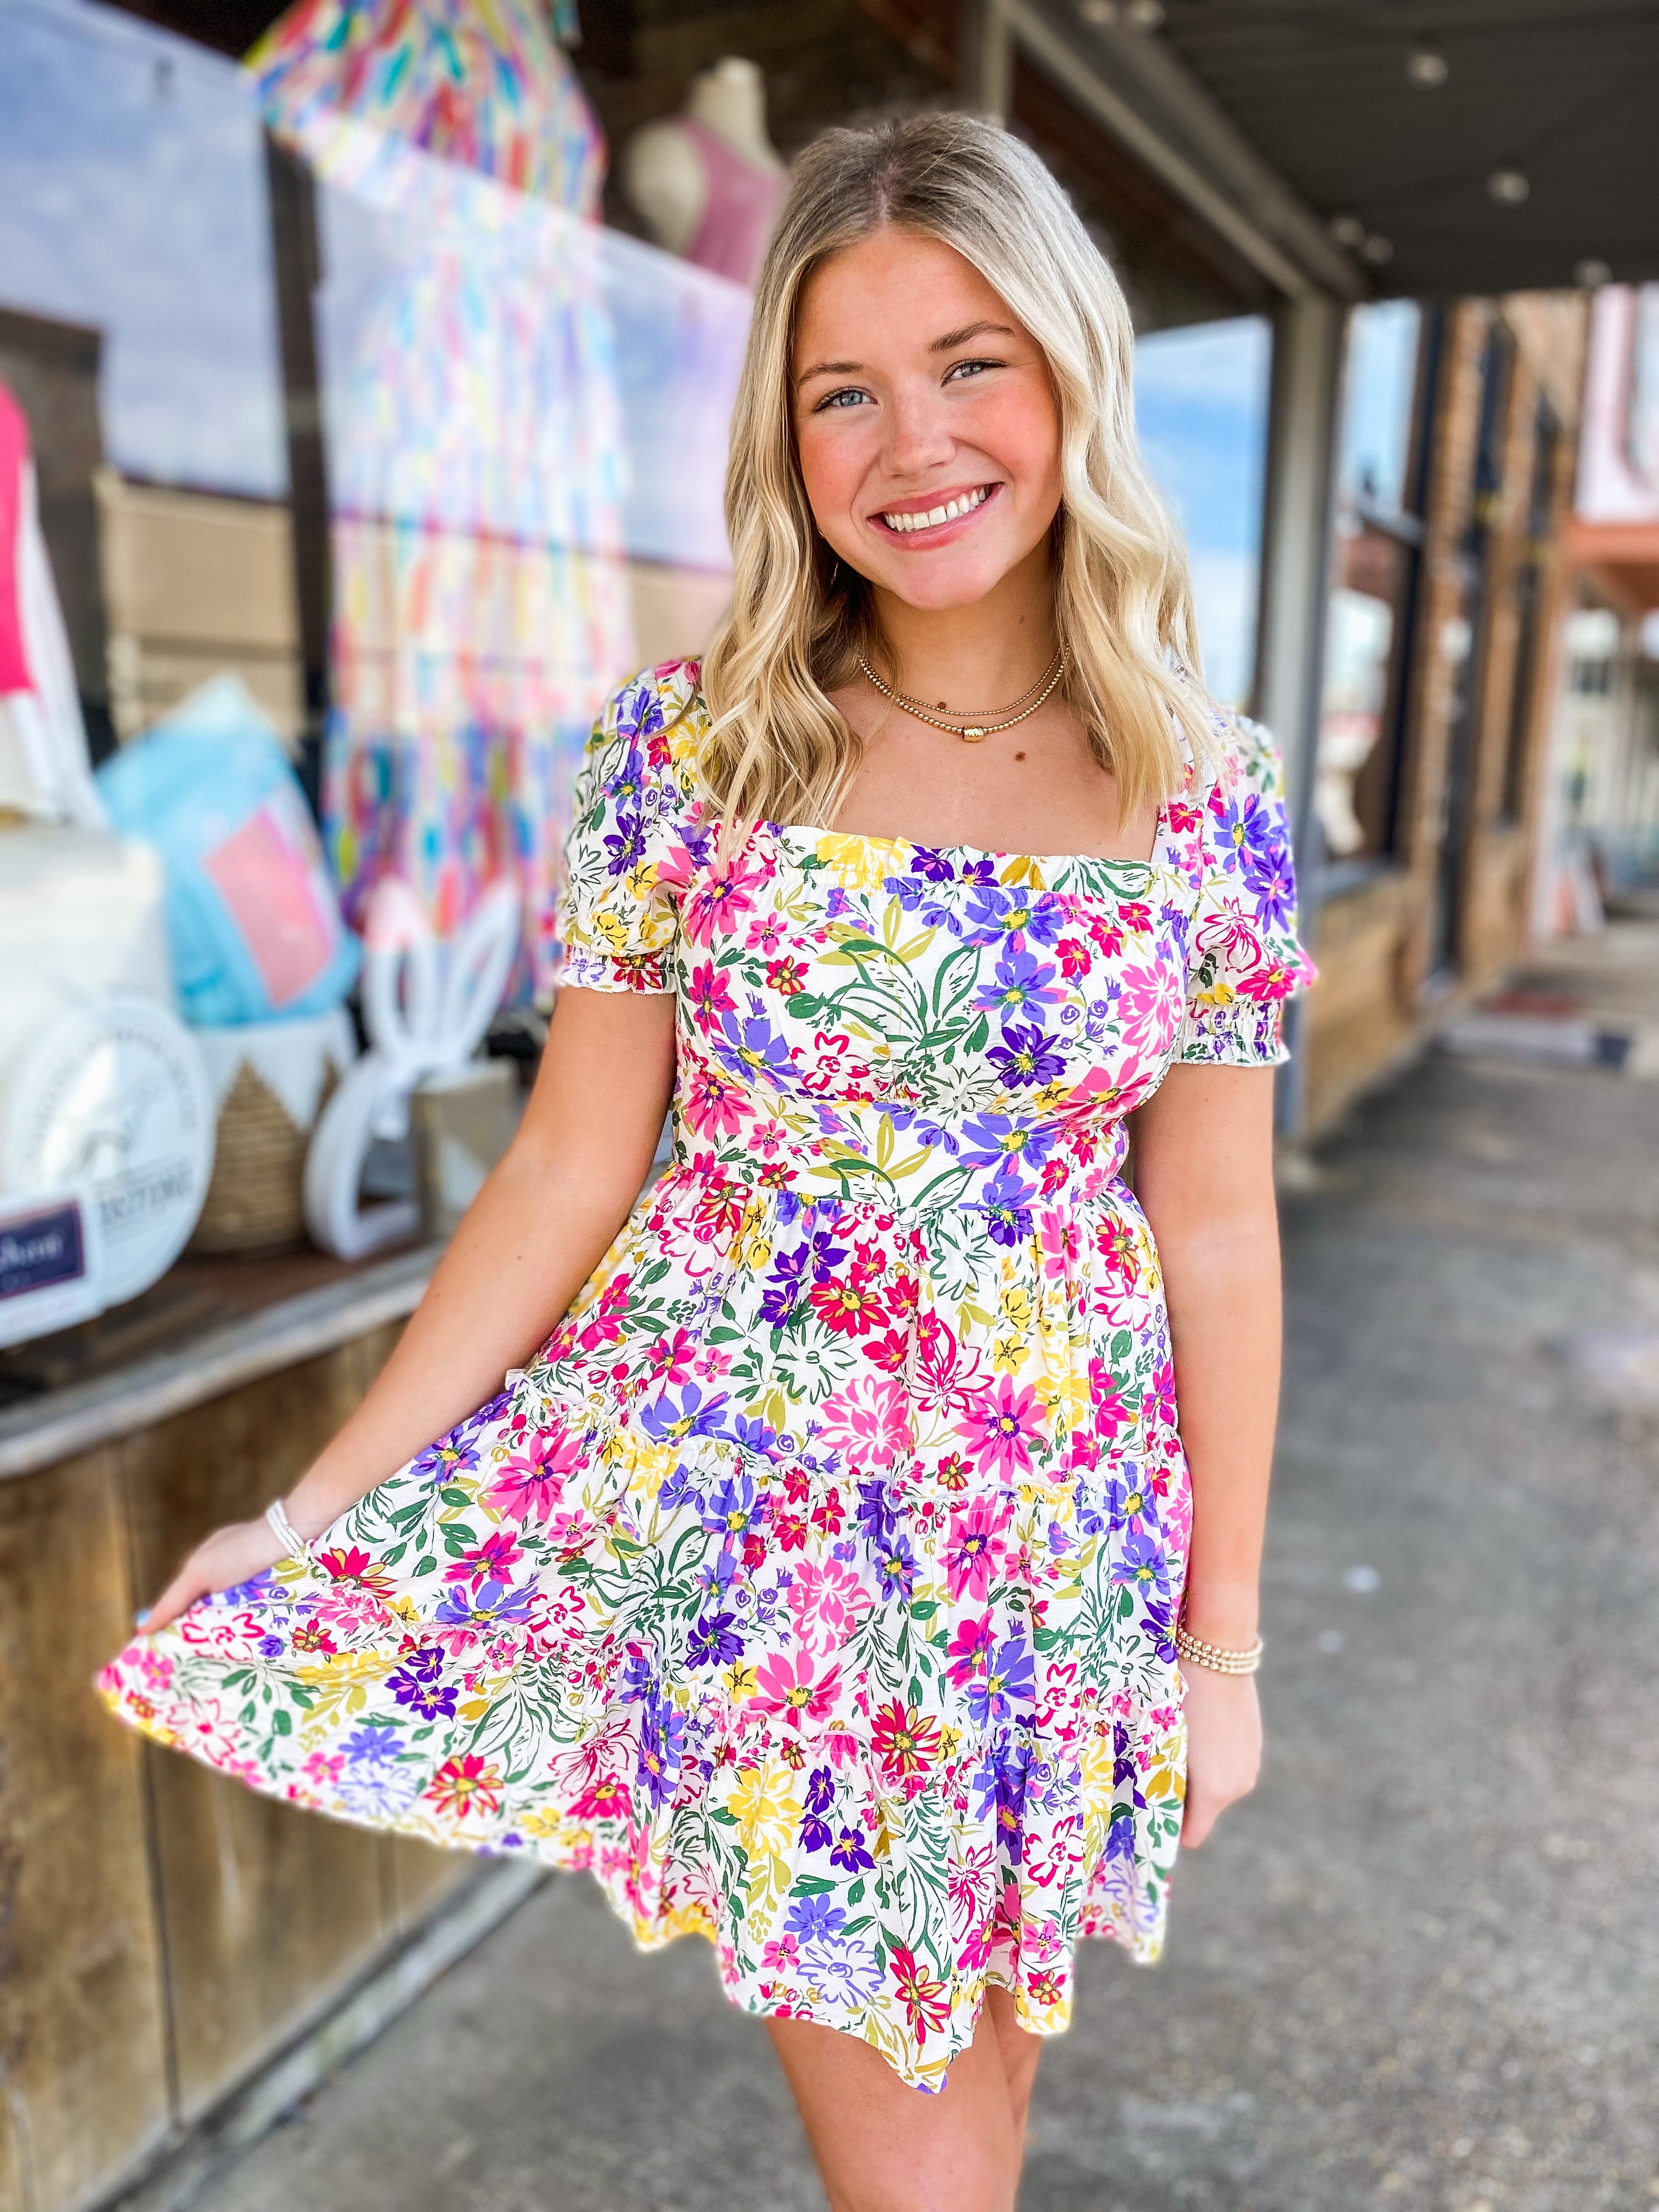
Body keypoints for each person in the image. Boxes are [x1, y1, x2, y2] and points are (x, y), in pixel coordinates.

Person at [104, 111, 1313, 2212]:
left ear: (1069, 376)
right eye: (842, 389)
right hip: (790, 1574)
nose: (910, 440)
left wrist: (1226, 1652)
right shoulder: (688, 753)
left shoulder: (1202, 789)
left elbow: (1212, 1227)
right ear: (783, 434)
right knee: (923, 2178)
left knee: (982, 2126)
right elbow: (568, 1169)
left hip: (1063, 1567)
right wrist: (320, 1505)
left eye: (970, 362)